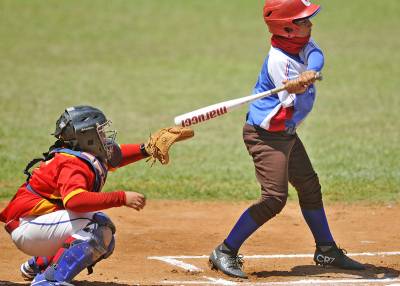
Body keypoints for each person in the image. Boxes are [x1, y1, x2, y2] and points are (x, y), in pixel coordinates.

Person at [208, 0, 365, 279]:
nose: (310, 24)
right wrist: (298, 86)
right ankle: (225, 250)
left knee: (309, 186)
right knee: (274, 198)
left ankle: (326, 249)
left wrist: (308, 75)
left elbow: (317, 55)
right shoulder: (279, 62)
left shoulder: (300, 45)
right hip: (265, 136)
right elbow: (291, 105)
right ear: (287, 29)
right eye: (303, 21)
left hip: (285, 134)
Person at [0, 105, 193, 285]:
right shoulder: (72, 164)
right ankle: (50, 280)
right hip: (29, 228)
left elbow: (115, 157)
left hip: (40, 226)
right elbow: (75, 201)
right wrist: (121, 197)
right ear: (87, 137)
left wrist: (146, 149)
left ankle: (40, 264)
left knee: (106, 237)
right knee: (97, 229)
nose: (104, 134)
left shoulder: (79, 153)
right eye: (99, 131)